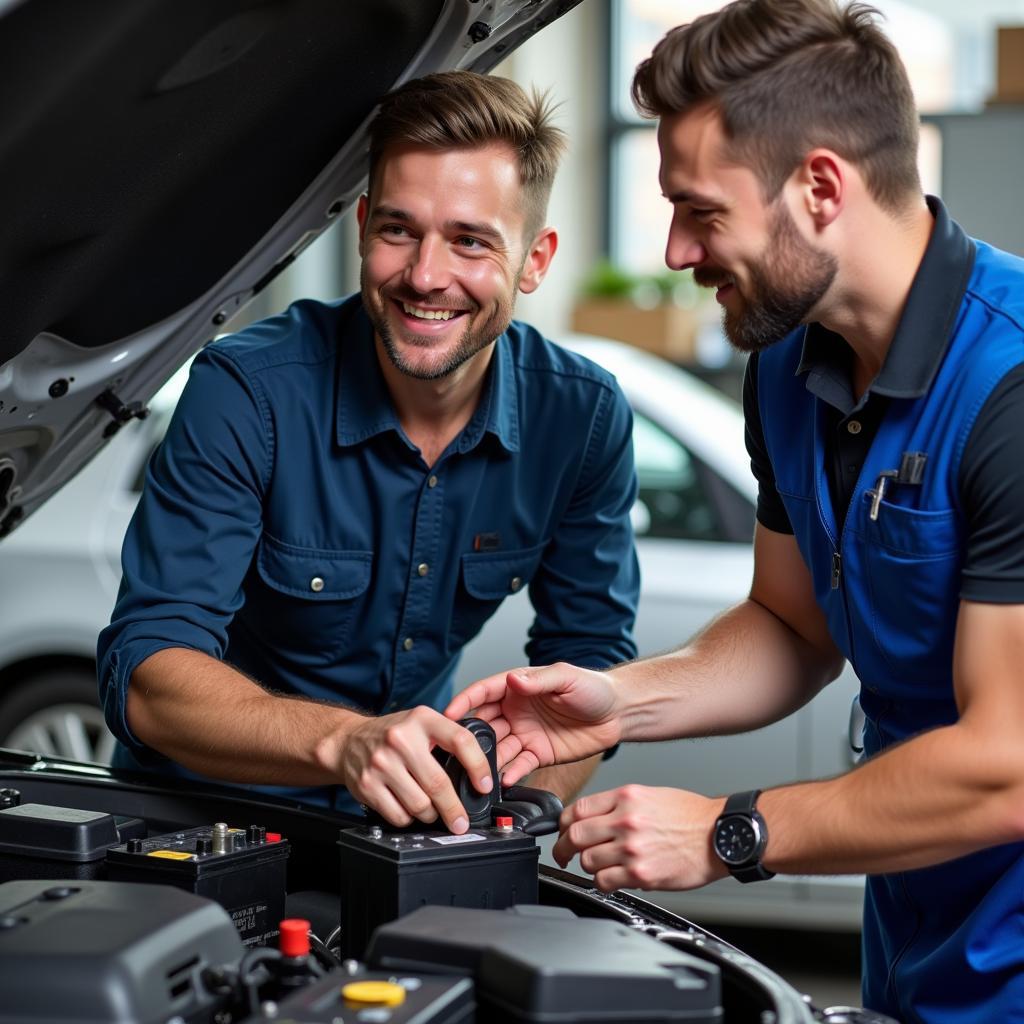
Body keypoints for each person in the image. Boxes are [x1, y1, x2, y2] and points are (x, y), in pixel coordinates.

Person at [447, 2, 1024, 1020]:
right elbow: (790, 626)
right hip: (915, 913)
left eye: (700, 210)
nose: (674, 250)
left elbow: (1006, 763)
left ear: (818, 187)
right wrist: (618, 701)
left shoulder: (1010, 388)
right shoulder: (784, 370)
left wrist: (728, 830)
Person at [97, 70, 639, 834]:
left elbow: (589, 657)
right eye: (397, 230)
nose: (425, 275)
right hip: (197, 828)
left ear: (535, 259)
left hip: (406, 837)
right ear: (360, 228)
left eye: (470, 241)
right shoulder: (247, 392)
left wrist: (507, 812)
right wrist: (348, 742)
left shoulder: (582, 416)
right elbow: (150, 673)